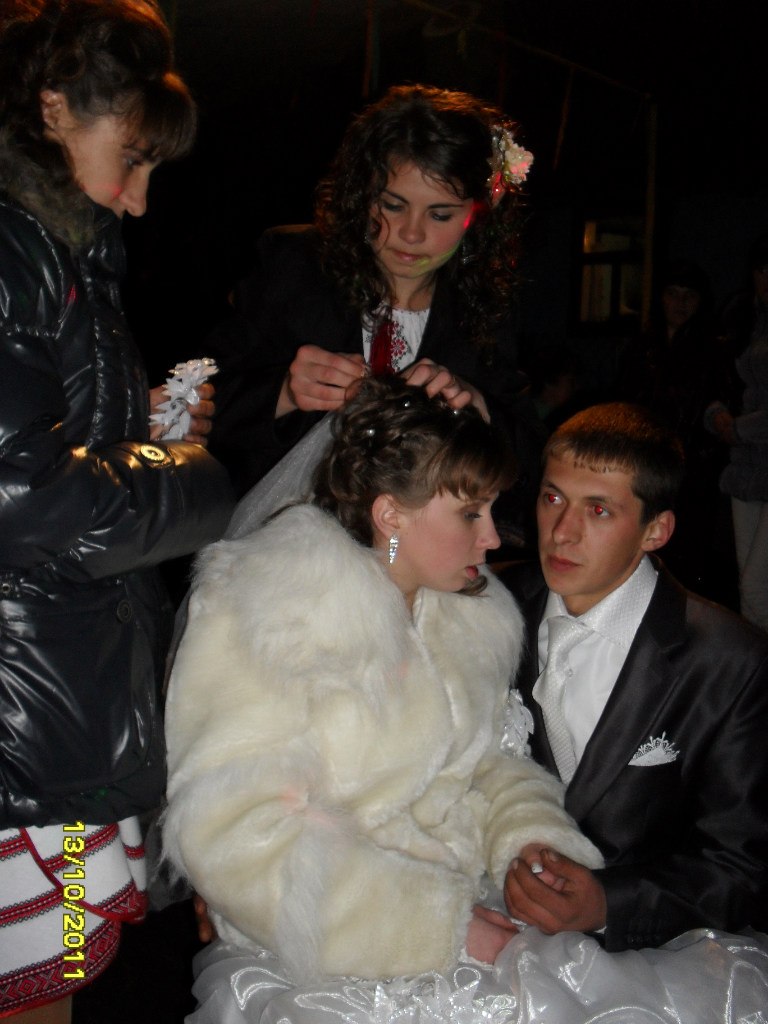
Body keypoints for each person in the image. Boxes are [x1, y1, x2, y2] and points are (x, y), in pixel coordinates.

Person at [161, 377, 604, 1022]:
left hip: (471, 902)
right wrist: (438, 928)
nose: (493, 538)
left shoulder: (471, 615)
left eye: (491, 511)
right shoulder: (267, 614)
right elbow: (232, 830)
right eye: (470, 514)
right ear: (391, 514)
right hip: (324, 949)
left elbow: (487, 764)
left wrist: (531, 842)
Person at [0, 1, 234, 1019]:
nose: (138, 200)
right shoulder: (16, 249)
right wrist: (197, 476)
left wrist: (133, 421)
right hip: (29, 726)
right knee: (44, 985)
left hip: (49, 710)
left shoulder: (58, 251)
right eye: (131, 159)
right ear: (54, 108)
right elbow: (22, 496)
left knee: (56, 975)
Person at [203, 83, 537, 525]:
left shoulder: (485, 303)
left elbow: (530, 459)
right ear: (362, 193)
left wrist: (478, 406)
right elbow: (196, 406)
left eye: (440, 214)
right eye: (392, 206)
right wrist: (283, 393)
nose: (411, 234)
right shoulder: (295, 266)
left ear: (481, 209)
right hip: (282, 543)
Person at [500, 403, 768, 954]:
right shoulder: (496, 607)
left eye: (598, 510)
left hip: (647, 952)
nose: (562, 533)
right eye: (553, 498)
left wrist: (609, 905)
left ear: (656, 530)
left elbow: (740, 866)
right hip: (500, 921)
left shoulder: (729, 662)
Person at [707, 232, 768, 631]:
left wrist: (740, 428)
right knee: (749, 587)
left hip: (753, 450)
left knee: (757, 585)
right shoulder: (741, 318)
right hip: (744, 468)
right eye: (762, 270)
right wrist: (717, 415)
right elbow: (717, 379)